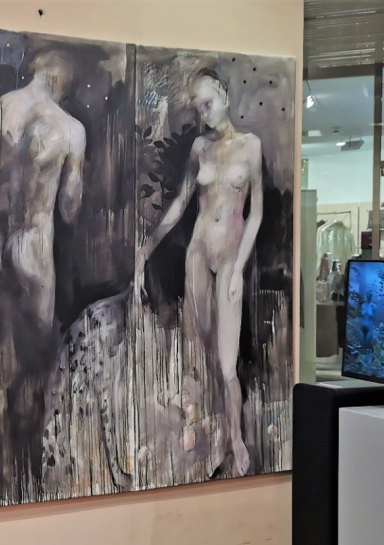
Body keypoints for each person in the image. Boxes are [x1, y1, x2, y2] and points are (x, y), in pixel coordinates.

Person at [135, 68, 263, 477]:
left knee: (227, 363)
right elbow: (181, 202)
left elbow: (256, 214)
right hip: (198, 254)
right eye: (198, 108)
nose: (204, 113)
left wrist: (239, 268)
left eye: (208, 103)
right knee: (199, 350)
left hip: (228, 258)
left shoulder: (251, 146)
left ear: (224, 94)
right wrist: (148, 245)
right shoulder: (199, 148)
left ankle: (236, 438)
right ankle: (204, 431)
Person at [0, 49, 86, 486]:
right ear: (61, 82)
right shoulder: (69, 129)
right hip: (34, 247)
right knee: (35, 358)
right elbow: (70, 209)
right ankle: (19, 465)